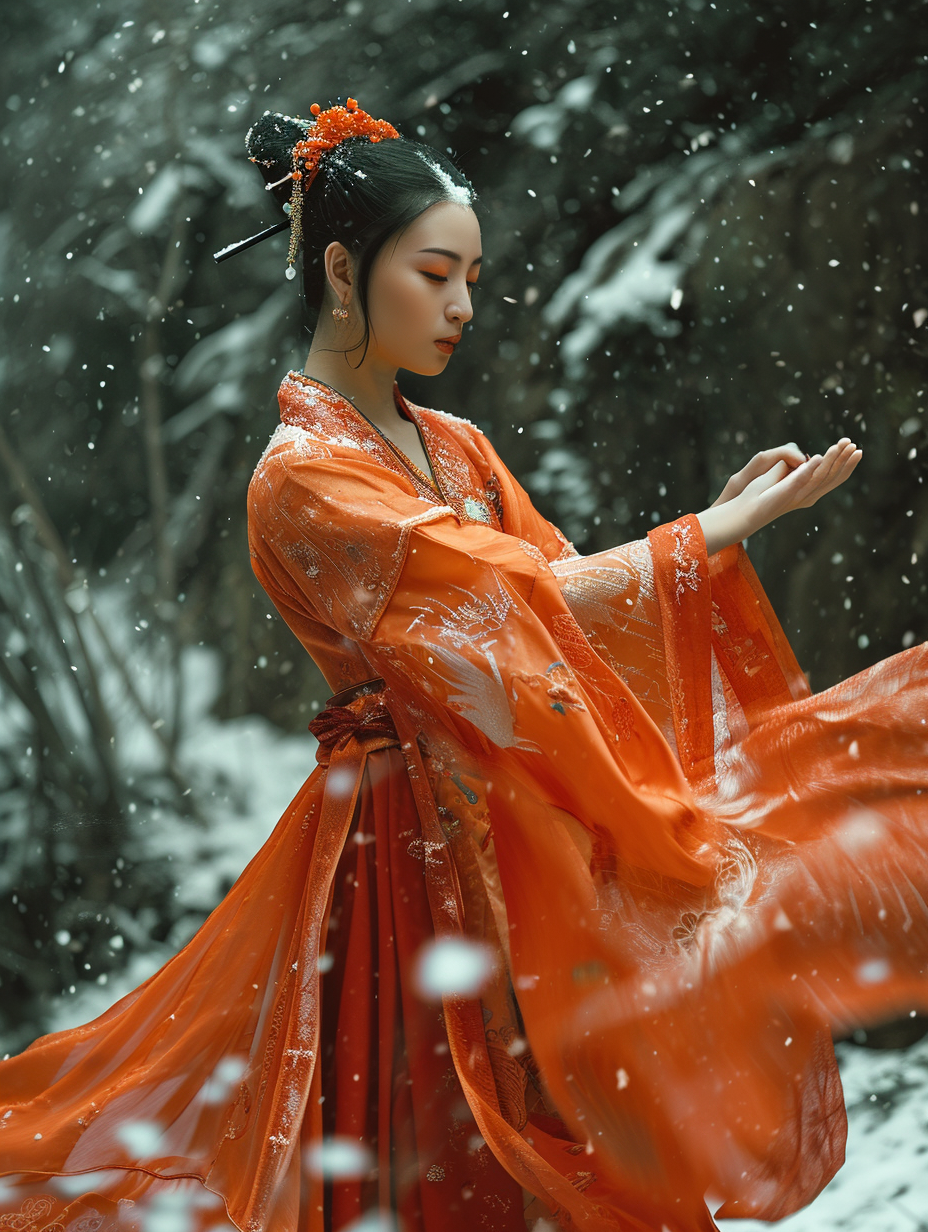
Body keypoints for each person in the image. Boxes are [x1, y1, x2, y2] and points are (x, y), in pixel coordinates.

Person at [0, 96, 925, 1232]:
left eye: (472, 278)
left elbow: (560, 612)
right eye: (436, 273)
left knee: (574, 1121)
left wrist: (691, 544)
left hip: (522, 824)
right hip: (401, 852)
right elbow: (501, 599)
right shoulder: (300, 478)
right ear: (344, 268)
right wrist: (700, 540)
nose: (462, 306)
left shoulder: (455, 446)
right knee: (429, 1142)